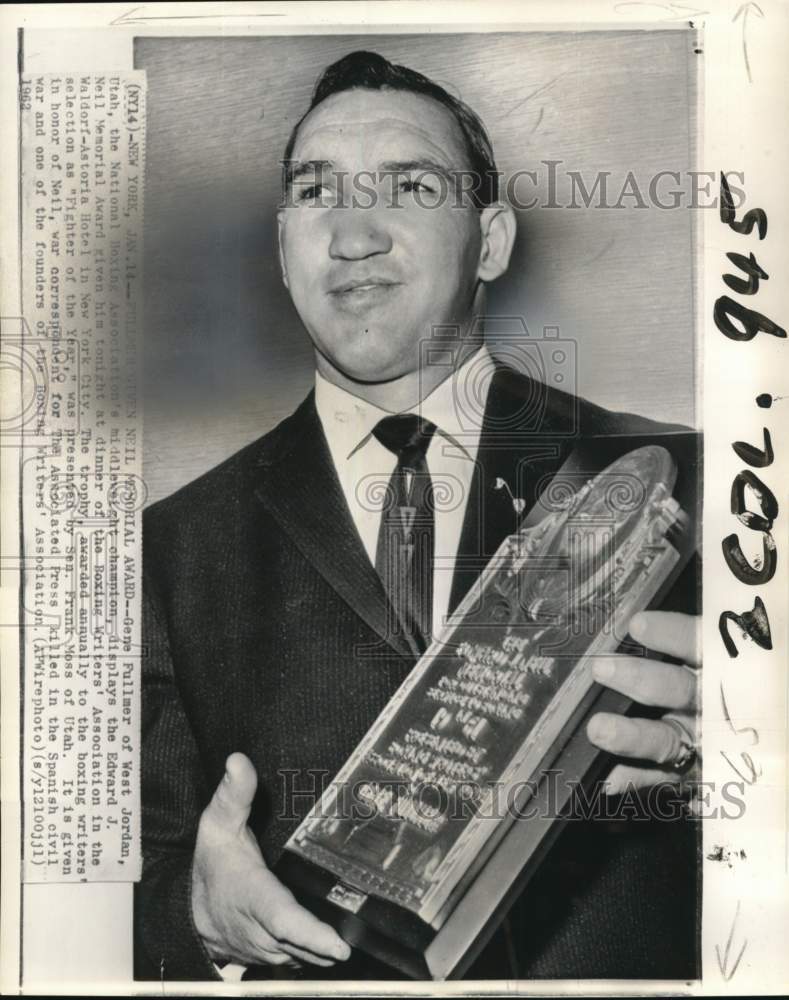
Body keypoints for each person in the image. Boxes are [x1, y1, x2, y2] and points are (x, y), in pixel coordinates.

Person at [135, 50, 700, 982]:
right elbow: (95, 894)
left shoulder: (697, 476)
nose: (353, 235)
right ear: (282, 249)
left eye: (408, 186)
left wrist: (749, 770)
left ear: (490, 242)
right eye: (317, 192)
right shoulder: (171, 548)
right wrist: (197, 917)